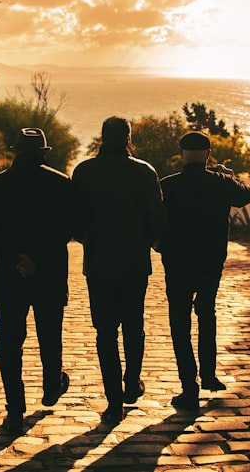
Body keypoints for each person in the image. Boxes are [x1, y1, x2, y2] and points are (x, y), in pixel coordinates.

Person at [0, 128, 75, 435]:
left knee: (9, 345)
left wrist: (16, 260)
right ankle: (50, 386)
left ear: (15, 151)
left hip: (10, 276)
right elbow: (66, 229)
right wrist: (39, 259)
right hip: (49, 275)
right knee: (50, 336)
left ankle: (15, 411)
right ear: (44, 153)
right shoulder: (61, 184)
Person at [71, 116, 166, 425]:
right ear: (128, 138)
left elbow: (76, 222)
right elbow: (156, 220)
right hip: (135, 263)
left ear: (102, 137)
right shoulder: (144, 172)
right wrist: (149, 241)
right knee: (133, 324)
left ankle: (114, 402)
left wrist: (92, 239)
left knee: (106, 333)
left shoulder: (84, 172)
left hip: (99, 264)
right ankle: (132, 381)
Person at [157, 130, 250, 410]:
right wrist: (229, 175)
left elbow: (154, 220)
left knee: (180, 325)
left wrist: (160, 246)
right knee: (207, 315)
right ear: (209, 154)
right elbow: (246, 195)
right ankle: (209, 374)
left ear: (181, 153)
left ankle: (190, 386)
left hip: (177, 265)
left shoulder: (168, 185)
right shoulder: (221, 183)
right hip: (211, 263)